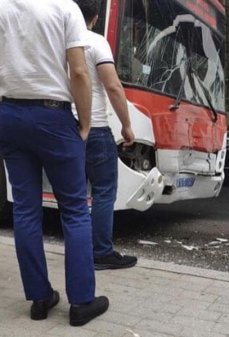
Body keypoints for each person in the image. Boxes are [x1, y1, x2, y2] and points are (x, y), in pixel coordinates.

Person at [0, 0, 109, 326]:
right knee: (75, 209)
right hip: (52, 116)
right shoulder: (66, 8)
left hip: (9, 115)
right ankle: (81, 303)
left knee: (25, 209)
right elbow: (78, 71)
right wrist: (86, 124)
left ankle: (39, 297)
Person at [74, 0, 138, 270]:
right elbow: (112, 86)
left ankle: (79, 252)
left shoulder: (58, 43)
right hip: (97, 128)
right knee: (103, 192)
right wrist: (126, 125)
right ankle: (101, 253)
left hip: (65, 128)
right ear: (96, 18)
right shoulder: (95, 41)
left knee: (75, 194)